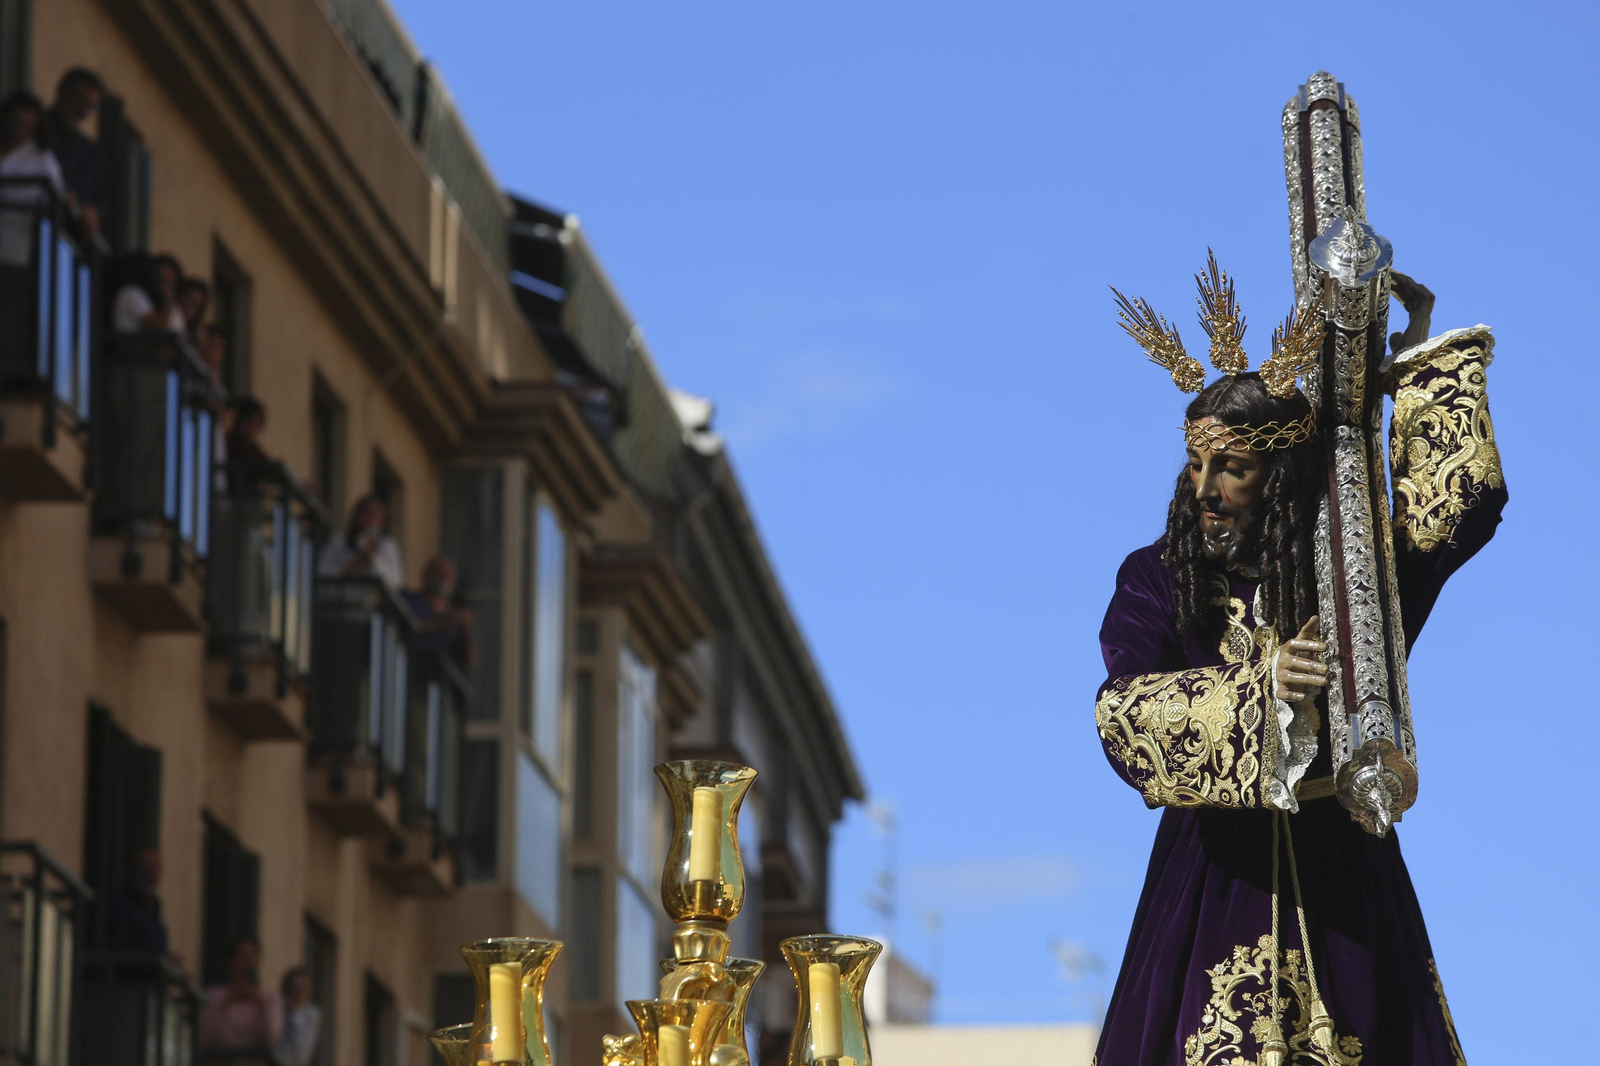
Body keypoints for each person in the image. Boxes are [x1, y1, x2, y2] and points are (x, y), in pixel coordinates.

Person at [1091, 263, 1503, 1065]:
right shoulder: (1159, 578)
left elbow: (1456, 511)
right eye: (1197, 466)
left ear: (1275, 478)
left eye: (1232, 469)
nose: (1205, 489)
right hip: (1217, 869)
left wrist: (1411, 365)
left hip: (1344, 866)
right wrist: (1260, 692)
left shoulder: (1350, 575)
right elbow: (1122, 711)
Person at [0, 91, 65, 267]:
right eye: (16, 122)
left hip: (16, 240)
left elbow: (53, 200)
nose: (19, 129)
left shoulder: (43, 160)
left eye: (27, 125)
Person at [198, 936, 282, 1066]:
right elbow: (204, 1037)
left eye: (252, 956)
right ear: (231, 961)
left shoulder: (271, 1000)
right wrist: (227, 1001)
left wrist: (261, 1004)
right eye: (242, 956)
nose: (247, 962)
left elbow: (272, 1039)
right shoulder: (214, 996)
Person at [43, 67, 103, 234]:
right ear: (63, 94)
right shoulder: (36, 129)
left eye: (89, 106)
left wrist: (89, 212)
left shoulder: (90, 153)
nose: (82, 112)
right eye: (80, 102)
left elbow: (94, 201)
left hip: (63, 238)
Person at [402, 555, 475, 667]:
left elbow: (468, 660)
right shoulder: (407, 599)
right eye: (440, 572)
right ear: (426, 574)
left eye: (450, 575)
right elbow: (410, 629)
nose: (445, 578)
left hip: (435, 680)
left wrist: (466, 631)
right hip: (403, 670)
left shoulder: (455, 621)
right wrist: (444, 621)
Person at [318, 493, 403, 588]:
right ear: (357, 515)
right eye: (365, 512)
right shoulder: (338, 542)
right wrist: (356, 564)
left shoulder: (387, 545)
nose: (369, 518)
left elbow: (396, 581)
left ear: (382, 519)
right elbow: (323, 574)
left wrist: (373, 558)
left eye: (374, 514)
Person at [103, 846, 170, 957]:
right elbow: (117, 950)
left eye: (156, 868)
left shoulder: (153, 910)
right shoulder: (120, 906)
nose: (152, 875)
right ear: (132, 871)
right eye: (146, 868)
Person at [111, 251, 185, 334]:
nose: (166, 288)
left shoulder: (164, 304)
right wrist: (166, 301)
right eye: (162, 280)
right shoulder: (131, 293)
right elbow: (161, 328)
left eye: (170, 283)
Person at [274, 966, 322, 1066]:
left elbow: (300, 1054)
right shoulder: (277, 1009)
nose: (300, 994)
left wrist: (295, 1013)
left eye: (305, 989)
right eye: (296, 988)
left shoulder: (312, 1014)